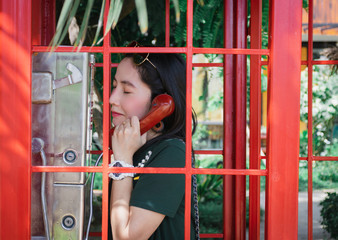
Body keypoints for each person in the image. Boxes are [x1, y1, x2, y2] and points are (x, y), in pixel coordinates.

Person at [108, 43, 200, 240]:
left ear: (161, 103)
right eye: (115, 86)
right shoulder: (135, 148)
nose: (111, 99)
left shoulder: (171, 153)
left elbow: (126, 237)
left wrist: (122, 161)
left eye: (126, 90)